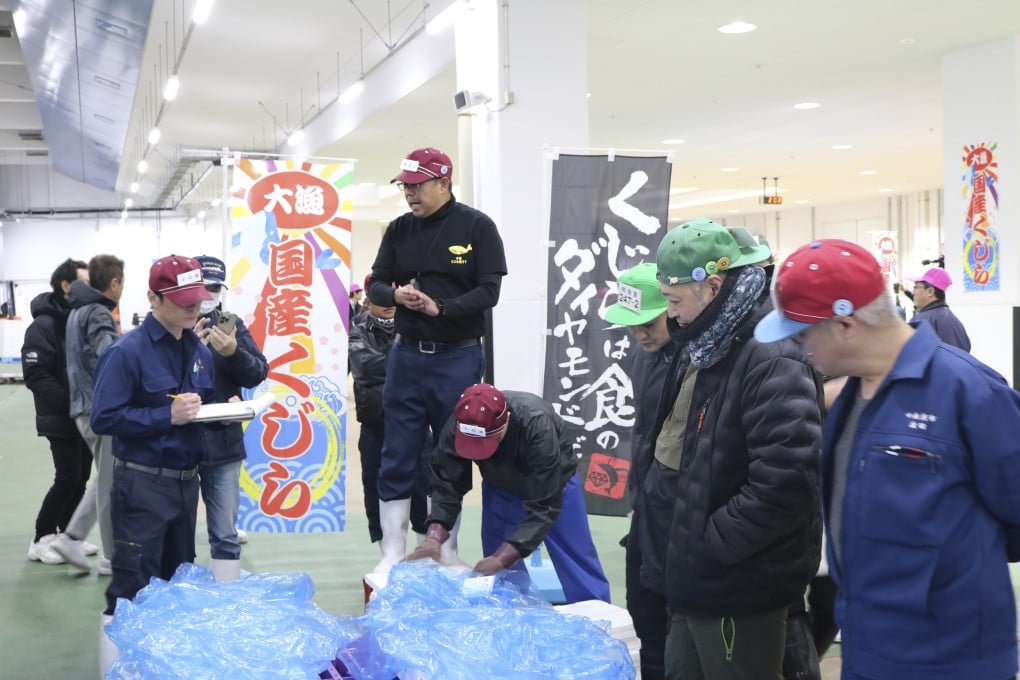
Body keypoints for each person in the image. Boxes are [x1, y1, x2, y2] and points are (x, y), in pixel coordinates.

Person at [754, 239, 1020, 680]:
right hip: (868, 646)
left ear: (844, 324)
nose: (801, 348)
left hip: (950, 658)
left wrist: (947, 575)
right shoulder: (851, 397)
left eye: (803, 334)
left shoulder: (968, 392)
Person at [638, 218, 823, 680]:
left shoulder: (770, 356)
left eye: (676, 301)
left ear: (712, 286)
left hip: (737, 580)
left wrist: (710, 542)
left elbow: (785, 481)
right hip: (694, 575)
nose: (672, 315)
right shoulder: (705, 344)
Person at [366, 146, 507, 574]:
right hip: (406, 357)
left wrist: (440, 308)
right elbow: (374, 285)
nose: (410, 194)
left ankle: (445, 548)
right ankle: (391, 551)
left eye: (417, 185)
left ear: (443, 182)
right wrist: (395, 296)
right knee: (398, 451)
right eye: (405, 186)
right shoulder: (398, 229)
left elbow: (489, 293)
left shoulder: (477, 227)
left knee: (452, 453)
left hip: (458, 358)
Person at [90, 255, 215, 674]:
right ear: (153, 298)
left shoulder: (196, 347)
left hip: (185, 485)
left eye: (197, 299)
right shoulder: (126, 352)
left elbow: (201, 404)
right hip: (142, 486)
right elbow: (104, 418)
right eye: (182, 300)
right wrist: (167, 417)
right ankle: (117, 669)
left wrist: (224, 410)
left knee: (178, 582)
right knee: (132, 586)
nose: (192, 307)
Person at [407, 384, 612, 604]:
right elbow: (447, 480)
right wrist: (435, 534)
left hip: (554, 486)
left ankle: (597, 614)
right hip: (500, 486)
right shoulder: (460, 422)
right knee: (501, 575)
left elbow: (545, 505)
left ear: (505, 421)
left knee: (574, 557)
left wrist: (506, 556)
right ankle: (512, 616)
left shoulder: (537, 424)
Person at [602, 262, 674, 679]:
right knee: (643, 615)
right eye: (632, 326)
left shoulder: (695, 360)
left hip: (680, 515)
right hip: (647, 505)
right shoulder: (642, 355)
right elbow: (644, 432)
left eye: (649, 322)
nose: (640, 333)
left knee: (673, 625)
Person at [193, 255, 269, 582]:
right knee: (176, 531)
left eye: (215, 287)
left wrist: (233, 353)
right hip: (178, 443)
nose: (209, 294)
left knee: (225, 530)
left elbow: (258, 371)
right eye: (203, 286)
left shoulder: (228, 322)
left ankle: (228, 592)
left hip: (223, 440)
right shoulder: (173, 327)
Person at [52, 254, 124, 574]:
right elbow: (111, 356)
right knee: (109, 483)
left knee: (105, 478)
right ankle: (107, 554)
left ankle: (74, 536)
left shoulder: (76, 311)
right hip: (100, 409)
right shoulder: (97, 312)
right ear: (114, 283)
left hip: (83, 408)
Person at [21, 257, 92, 565]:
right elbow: (37, 375)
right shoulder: (44, 325)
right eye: (85, 283)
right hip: (61, 416)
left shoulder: (80, 319)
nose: (92, 289)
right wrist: (69, 404)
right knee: (67, 476)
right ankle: (41, 537)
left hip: (87, 416)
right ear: (66, 286)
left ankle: (66, 536)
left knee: (82, 476)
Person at [348, 296, 432, 553]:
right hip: (376, 428)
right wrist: (407, 363)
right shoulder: (356, 330)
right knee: (377, 492)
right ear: (368, 300)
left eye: (392, 298)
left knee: (425, 490)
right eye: (380, 298)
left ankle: (426, 556)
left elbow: (427, 366)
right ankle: (390, 558)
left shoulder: (416, 327)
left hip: (416, 427)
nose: (388, 304)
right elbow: (364, 366)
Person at [907, 266, 971, 350]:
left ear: (930, 291)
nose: (913, 292)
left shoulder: (920, 321)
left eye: (916, 287)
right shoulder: (953, 319)